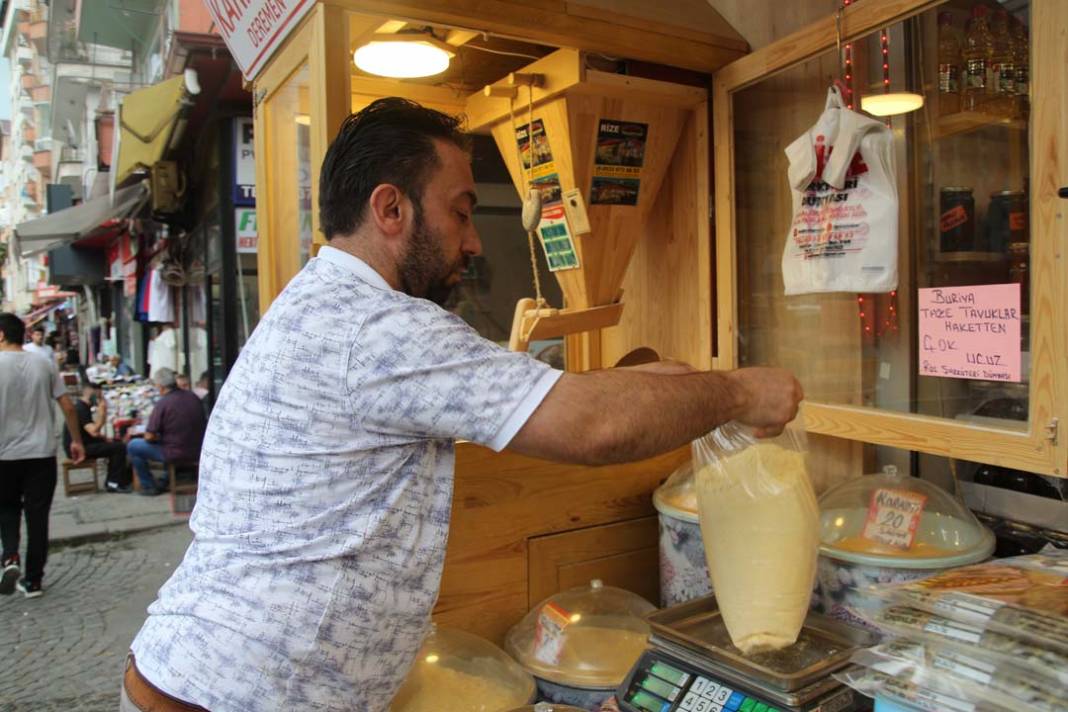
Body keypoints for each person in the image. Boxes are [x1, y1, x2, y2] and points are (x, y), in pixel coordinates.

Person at [124, 98, 802, 711]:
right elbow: (592, 426)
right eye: (461, 210)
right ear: (391, 209)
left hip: (209, 682)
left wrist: (675, 383)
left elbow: (541, 388)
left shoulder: (332, 307)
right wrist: (740, 391)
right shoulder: (376, 327)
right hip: (224, 696)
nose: (473, 240)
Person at [0, 313, 85, 599]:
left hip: (4, 455)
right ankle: (33, 581)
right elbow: (68, 407)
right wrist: (76, 441)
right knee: (38, 517)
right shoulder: (44, 363)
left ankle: (10, 556)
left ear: (1, 334)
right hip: (41, 454)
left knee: (7, 508)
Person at [126, 368, 207, 496]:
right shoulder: (192, 397)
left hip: (175, 452)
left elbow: (149, 436)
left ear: (160, 387)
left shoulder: (163, 403)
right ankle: (165, 479)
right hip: (198, 449)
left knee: (133, 446)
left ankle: (149, 485)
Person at [63, 382, 132, 493]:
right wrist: (102, 412)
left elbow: (91, 432)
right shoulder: (81, 409)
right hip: (78, 448)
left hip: (84, 443)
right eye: (99, 396)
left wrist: (104, 438)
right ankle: (113, 483)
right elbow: (94, 431)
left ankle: (120, 479)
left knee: (116, 443)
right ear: (92, 395)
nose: (101, 399)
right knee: (119, 448)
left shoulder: (83, 407)